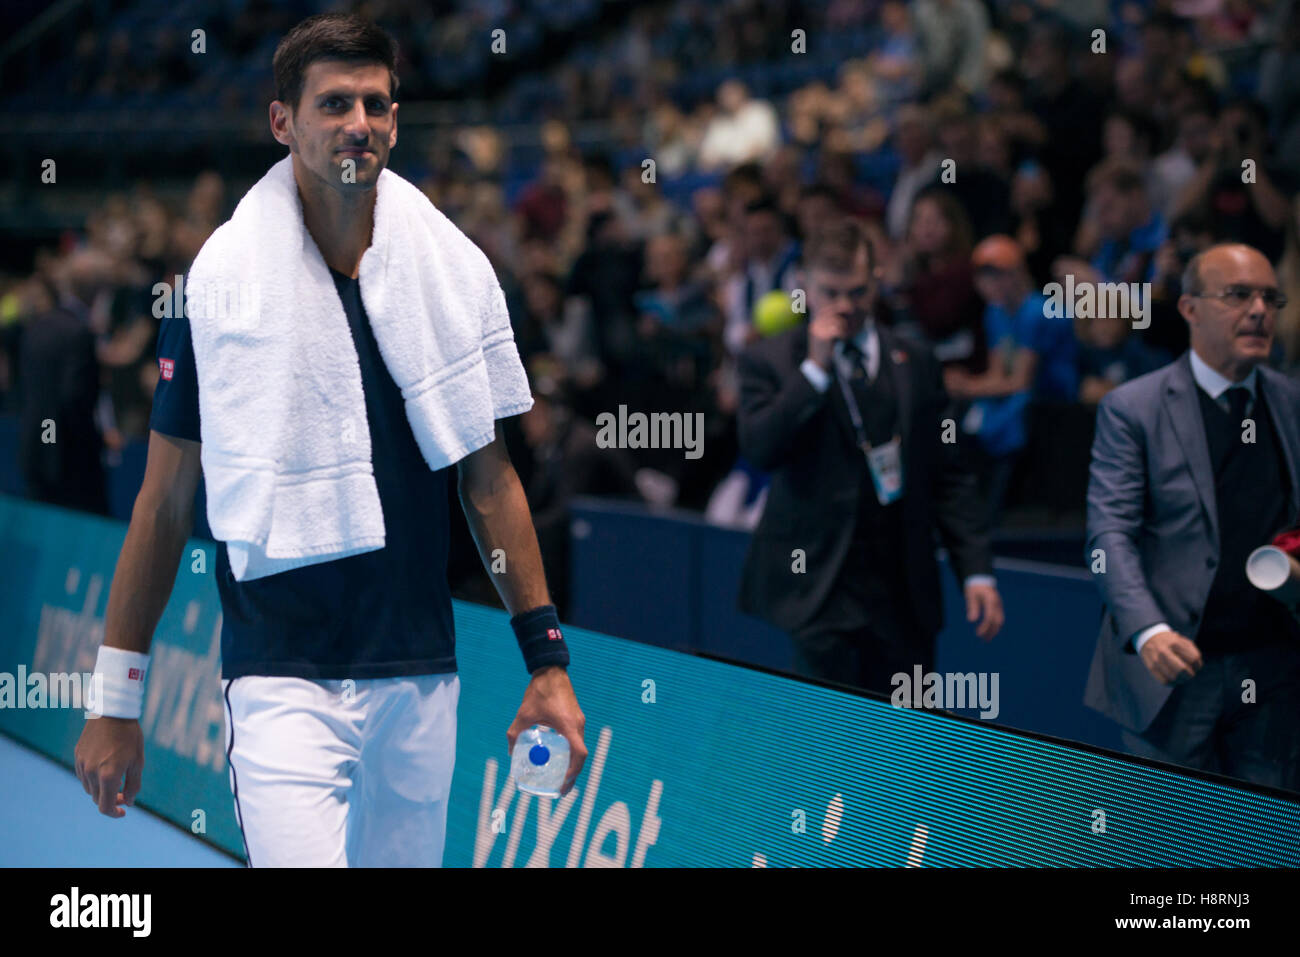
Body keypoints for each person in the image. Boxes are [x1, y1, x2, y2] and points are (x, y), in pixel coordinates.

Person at [73, 13, 587, 866]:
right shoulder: (222, 287)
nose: (359, 122)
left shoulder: (452, 277)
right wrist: (114, 698)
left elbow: (488, 480)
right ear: (284, 123)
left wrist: (547, 658)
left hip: (421, 670)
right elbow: (163, 506)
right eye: (335, 103)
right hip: (280, 676)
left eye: (377, 104)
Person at [736, 217, 1003, 695]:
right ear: (803, 285)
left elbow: (949, 474)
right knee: (828, 745)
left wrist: (976, 570)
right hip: (818, 589)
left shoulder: (916, 360)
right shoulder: (771, 361)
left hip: (903, 591)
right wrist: (814, 371)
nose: (844, 307)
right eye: (830, 292)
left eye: (857, 292)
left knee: (907, 743)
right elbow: (761, 449)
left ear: (877, 279)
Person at [1083, 243, 1300, 791]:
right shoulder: (1134, 408)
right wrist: (1148, 630)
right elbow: (1110, 534)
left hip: (1275, 669)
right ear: (1189, 309)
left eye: (1270, 298)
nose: (1259, 310)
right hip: (1175, 672)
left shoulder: (1292, 403)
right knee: (1177, 848)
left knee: (1267, 841)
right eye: (1237, 295)